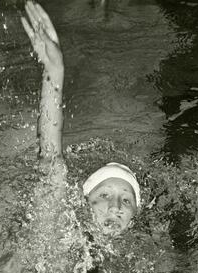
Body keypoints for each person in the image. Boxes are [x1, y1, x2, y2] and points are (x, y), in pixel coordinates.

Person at [21, 1, 140, 236]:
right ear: (83, 202)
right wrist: (54, 72)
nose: (115, 207)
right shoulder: (59, 234)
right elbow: (51, 159)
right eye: (104, 194)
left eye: (127, 200)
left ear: (136, 215)